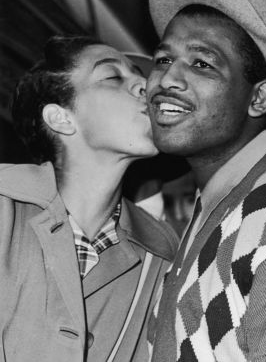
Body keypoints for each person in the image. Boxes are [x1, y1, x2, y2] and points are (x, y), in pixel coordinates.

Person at [146, 0, 266, 361]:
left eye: (202, 63)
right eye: (162, 59)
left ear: (258, 98)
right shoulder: (225, 201)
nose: (166, 79)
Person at [0, 35, 178, 362]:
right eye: (113, 77)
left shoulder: (163, 253)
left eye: (140, 75)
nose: (145, 84)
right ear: (61, 118)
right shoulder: (4, 209)